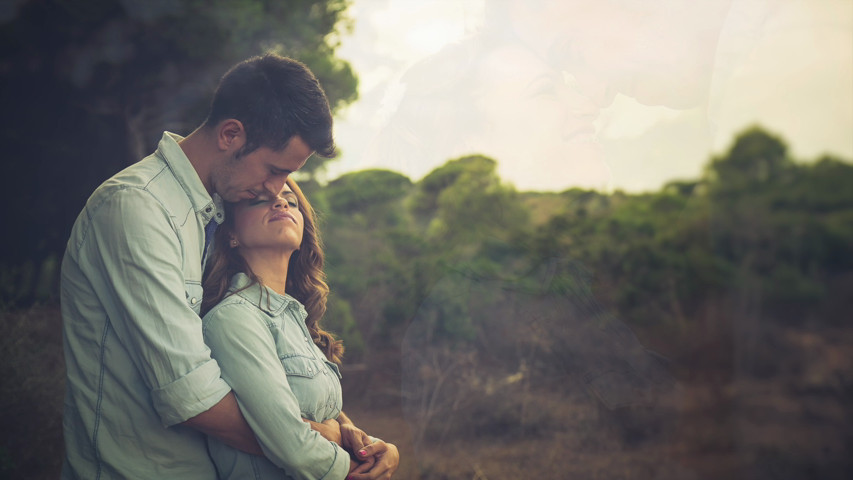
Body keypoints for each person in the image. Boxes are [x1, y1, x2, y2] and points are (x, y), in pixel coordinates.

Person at [60, 53, 335, 479]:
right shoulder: (138, 208)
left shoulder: (217, 213)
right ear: (230, 134)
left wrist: (347, 429)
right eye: (275, 170)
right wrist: (328, 444)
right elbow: (193, 397)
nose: (280, 190)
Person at [200, 177, 400, 479]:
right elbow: (293, 447)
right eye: (259, 200)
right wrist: (360, 467)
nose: (281, 203)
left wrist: (377, 448)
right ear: (231, 235)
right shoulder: (234, 318)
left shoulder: (295, 320)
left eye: (291, 201)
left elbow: (326, 419)